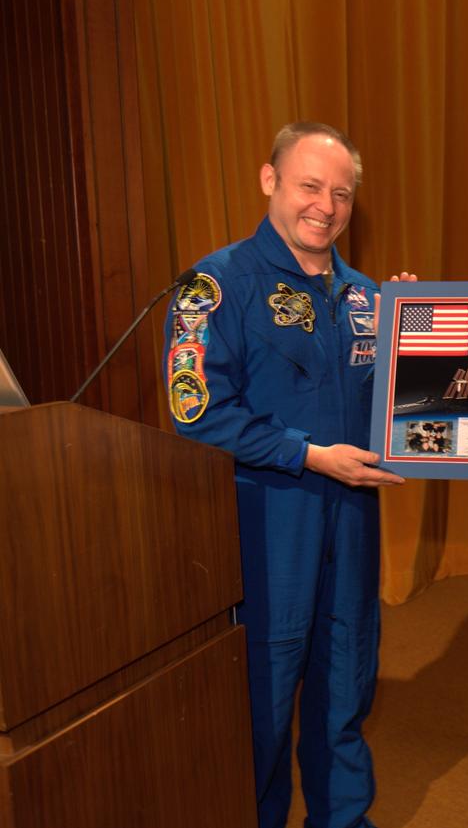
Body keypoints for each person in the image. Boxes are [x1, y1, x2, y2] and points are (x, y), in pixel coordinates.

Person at [162, 121, 410, 828]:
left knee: (343, 701)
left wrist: (443, 324)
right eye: (309, 185)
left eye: (341, 193)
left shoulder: (367, 297)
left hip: (352, 532)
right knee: (259, 717)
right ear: (270, 180)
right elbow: (197, 409)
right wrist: (306, 453)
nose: (325, 206)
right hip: (265, 534)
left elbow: (420, 404)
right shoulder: (212, 286)